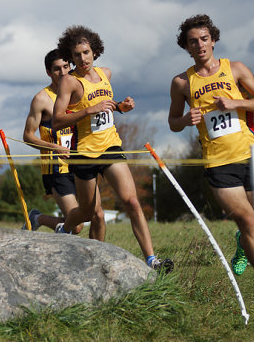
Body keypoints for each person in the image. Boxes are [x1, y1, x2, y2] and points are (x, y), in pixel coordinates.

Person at [168, 14, 254, 309]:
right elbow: (172, 122)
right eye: (193, 41)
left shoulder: (234, 69)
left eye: (204, 39)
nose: (200, 45)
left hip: (249, 155)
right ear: (186, 46)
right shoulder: (182, 82)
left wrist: (236, 103)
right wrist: (185, 119)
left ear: (213, 40)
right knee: (247, 220)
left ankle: (243, 245)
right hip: (217, 162)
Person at [52, 25, 173, 273]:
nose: (83, 59)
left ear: (95, 51)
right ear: (71, 57)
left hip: (110, 147)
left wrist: (120, 107)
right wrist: (87, 111)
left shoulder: (106, 73)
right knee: (86, 212)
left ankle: (152, 260)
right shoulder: (69, 81)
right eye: (77, 55)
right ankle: (63, 230)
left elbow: (105, 106)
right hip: (84, 152)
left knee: (131, 201)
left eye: (86, 52)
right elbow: (57, 121)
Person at [23, 49, 106, 241]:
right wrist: (55, 148)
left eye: (66, 67)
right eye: (56, 69)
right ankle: (38, 218)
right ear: (48, 72)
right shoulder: (41, 99)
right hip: (57, 168)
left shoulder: (80, 89)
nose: (62, 73)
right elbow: (28, 136)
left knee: (98, 215)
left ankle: (97, 260)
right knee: (77, 226)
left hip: (84, 161)